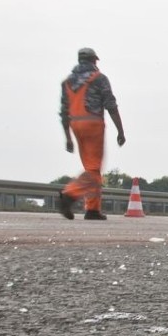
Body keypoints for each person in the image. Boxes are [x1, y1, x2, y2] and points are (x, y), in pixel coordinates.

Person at [58, 47, 126, 220]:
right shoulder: (99, 79)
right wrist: (120, 130)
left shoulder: (67, 82)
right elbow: (111, 105)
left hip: (75, 125)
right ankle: (69, 194)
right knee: (94, 168)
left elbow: (64, 111)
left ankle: (93, 209)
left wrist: (68, 137)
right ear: (94, 60)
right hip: (93, 124)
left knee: (91, 169)